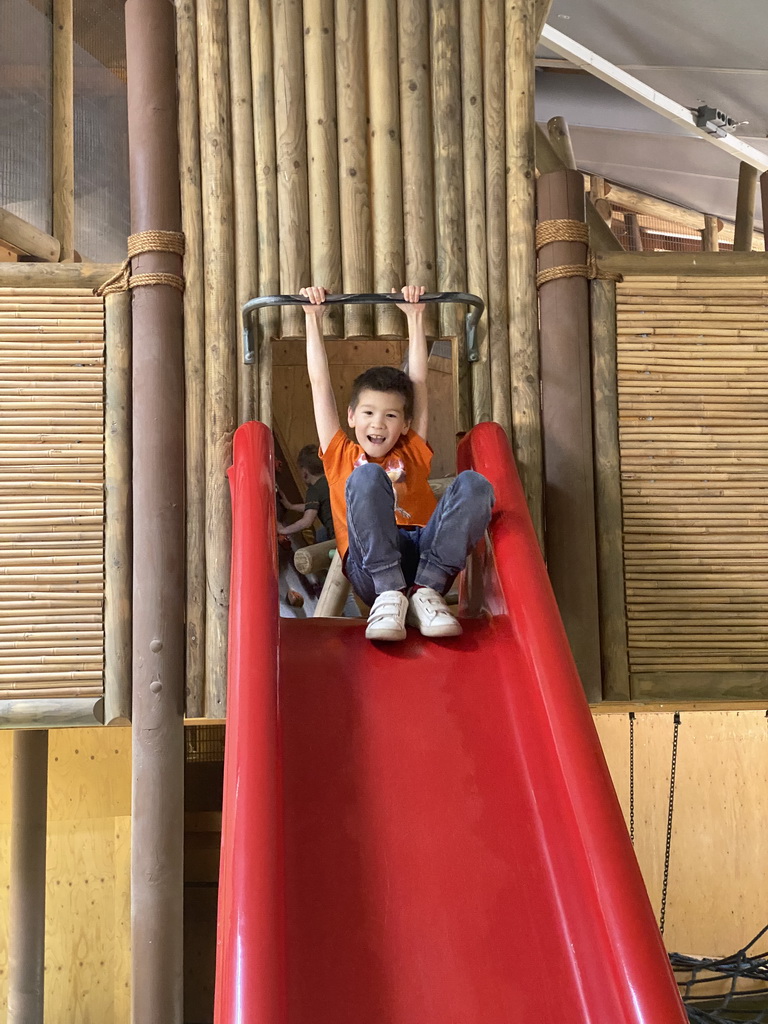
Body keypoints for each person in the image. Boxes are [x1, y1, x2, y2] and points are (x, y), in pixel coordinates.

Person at [301, 283, 494, 642]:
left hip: (425, 557)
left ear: (404, 424)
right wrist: (313, 319)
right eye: (369, 413)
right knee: (366, 478)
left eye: (391, 415)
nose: (378, 423)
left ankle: (425, 592)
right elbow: (319, 385)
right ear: (352, 416)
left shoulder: (411, 451)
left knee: (475, 485)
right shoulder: (340, 454)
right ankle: (391, 593)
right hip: (370, 571)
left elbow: (418, 383)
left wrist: (416, 317)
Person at [278, 444, 335, 542]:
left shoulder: (314, 490)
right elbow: (313, 506)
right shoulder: (330, 480)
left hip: (337, 535)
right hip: (350, 528)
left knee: (320, 537)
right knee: (321, 533)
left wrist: (284, 530)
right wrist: (291, 506)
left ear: (305, 473)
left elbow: (307, 521)